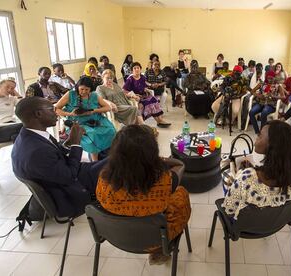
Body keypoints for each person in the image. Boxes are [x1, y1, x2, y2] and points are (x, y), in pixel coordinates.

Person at [96, 125, 191, 265]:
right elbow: (179, 165)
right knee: (181, 193)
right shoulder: (164, 181)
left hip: (116, 235)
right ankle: (160, 249)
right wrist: (158, 160)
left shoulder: (104, 179)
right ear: (151, 152)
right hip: (156, 237)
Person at [11, 97, 107, 217]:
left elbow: (55, 157)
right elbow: (70, 176)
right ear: (38, 114)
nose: (56, 112)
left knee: (117, 159)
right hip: (71, 190)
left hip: (65, 176)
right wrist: (76, 143)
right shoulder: (37, 150)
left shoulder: (29, 135)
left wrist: (69, 142)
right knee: (121, 161)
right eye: (52, 109)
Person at [222, 120, 291, 219]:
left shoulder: (246, 178)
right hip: (278, 222)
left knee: (226, 175)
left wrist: (241, 176)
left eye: (259, 135)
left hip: (248, 228)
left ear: (271, 148)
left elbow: (229, 210)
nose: (256, 139)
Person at [55, 76, 116, 161]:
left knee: (111, 130)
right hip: (77, 123)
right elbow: (56, 108)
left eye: (86, 90)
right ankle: (95, 160)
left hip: (95, 119)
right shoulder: (70, 94)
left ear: (90, 89)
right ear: (77, 88)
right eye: (81, 89)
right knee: (92, 134)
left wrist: (93, 111)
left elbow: (108, 107)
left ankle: (106, 155)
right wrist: (69, 113)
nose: (83, 92)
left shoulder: (94, 95)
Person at [123, 62, 171, 127]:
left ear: (140, 69)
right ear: (132, 70)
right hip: (136, 98)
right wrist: (133, 95)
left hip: (144, 96)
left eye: (138, 68)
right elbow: (124, 91)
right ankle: (143, 123)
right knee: (149, 104)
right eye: (135, 68)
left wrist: (146, 89)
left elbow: (144, 86)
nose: (137, 69)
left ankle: (159, 120)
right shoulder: (130, 79)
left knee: (154, 100)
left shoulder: (142, 77)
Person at [0, 78, 23, 143]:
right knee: (23, 127)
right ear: (0, 86)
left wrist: (17, 94)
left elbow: (24, 106)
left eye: (12, 88)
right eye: (7, 87)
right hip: (0, 128)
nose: (9, 90)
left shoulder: (12, 99)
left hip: (11, 125)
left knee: (18, 134)